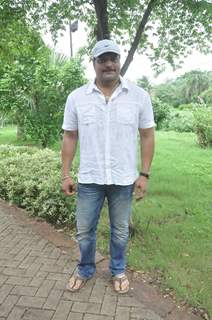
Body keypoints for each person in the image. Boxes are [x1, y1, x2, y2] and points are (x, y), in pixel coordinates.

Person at [61, 39, 155, 294]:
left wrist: (144, 174)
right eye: (102, 59)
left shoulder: (139, 96)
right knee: (84, 232)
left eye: (113, 58)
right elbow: (70, 136)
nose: (109, 64)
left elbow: (147, 135)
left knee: (120, 232)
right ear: (94, 63)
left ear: (119, 61)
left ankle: (118, 270)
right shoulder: (77, 97)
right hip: (90, 179)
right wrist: (66, 174)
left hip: (124, 180)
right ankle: (85, 269)